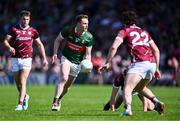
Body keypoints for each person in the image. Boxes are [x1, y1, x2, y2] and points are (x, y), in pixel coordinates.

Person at [99, 10, 165, 116]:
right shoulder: (144, 32)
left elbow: (114, 47)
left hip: (139, 63)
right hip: (151, 64)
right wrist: (157, 68)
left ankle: (128, 109)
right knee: (139, 88)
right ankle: (157, 102)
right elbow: (156, 50)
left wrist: (107, 62)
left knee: (127, 88)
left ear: (124, 22)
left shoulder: (124, 31)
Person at [3, 10, 48, 111]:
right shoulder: (14, 29)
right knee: (18, 84)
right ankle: (26, 96)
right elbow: (5, 41)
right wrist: (9, 47)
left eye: (27, 19)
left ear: (29, 19)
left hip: (27, 59)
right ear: (20, 19)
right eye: (24, 19)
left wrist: (44, 58)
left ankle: (19, 104)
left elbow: (40, 44)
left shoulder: (33, 31)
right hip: (15, 59)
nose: (26, 21)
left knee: (23, 82)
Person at [51, 14, 93, 111]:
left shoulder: (89, 37)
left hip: (77, 63)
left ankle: (59, 99)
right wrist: (55, 54)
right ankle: (55, 102)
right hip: (66, 58)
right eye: (84, 23)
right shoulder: (68, 30)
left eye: (87, 23)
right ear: (78, 23)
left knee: (67, 87)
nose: (86, 25)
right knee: (64, 78)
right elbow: (57, 40)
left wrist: (88, 64)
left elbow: (88, 53)